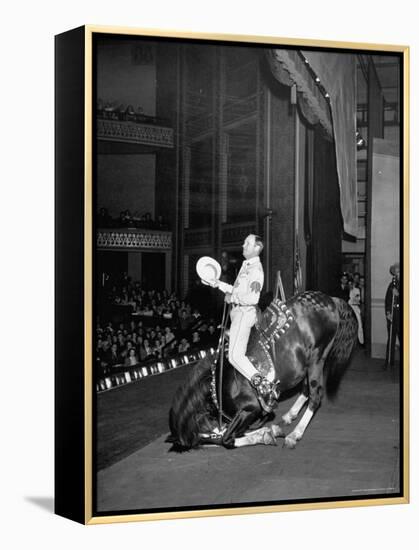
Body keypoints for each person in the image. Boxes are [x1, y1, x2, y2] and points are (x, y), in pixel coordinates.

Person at [206, 234, 279, 412]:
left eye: (248, 243)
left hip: (244, 313)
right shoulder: (247, 266)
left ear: (257, 247)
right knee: (233, 356)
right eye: (244, 242)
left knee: (235, 356)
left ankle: (264, 386)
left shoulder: (256, 269)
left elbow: (252, 297)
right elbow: (235, 290)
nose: (243, 245)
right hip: (238, 313)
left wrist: (233, 297)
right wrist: (216, 283)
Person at [384, 262, 400, 369]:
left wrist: (398, 294)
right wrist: (388, 313)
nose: (397, 274)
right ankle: (389, 362)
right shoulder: (392, 285)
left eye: (399, 272)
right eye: (396, 272)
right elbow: (387, 300)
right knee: (391, 338)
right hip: (393, 315)